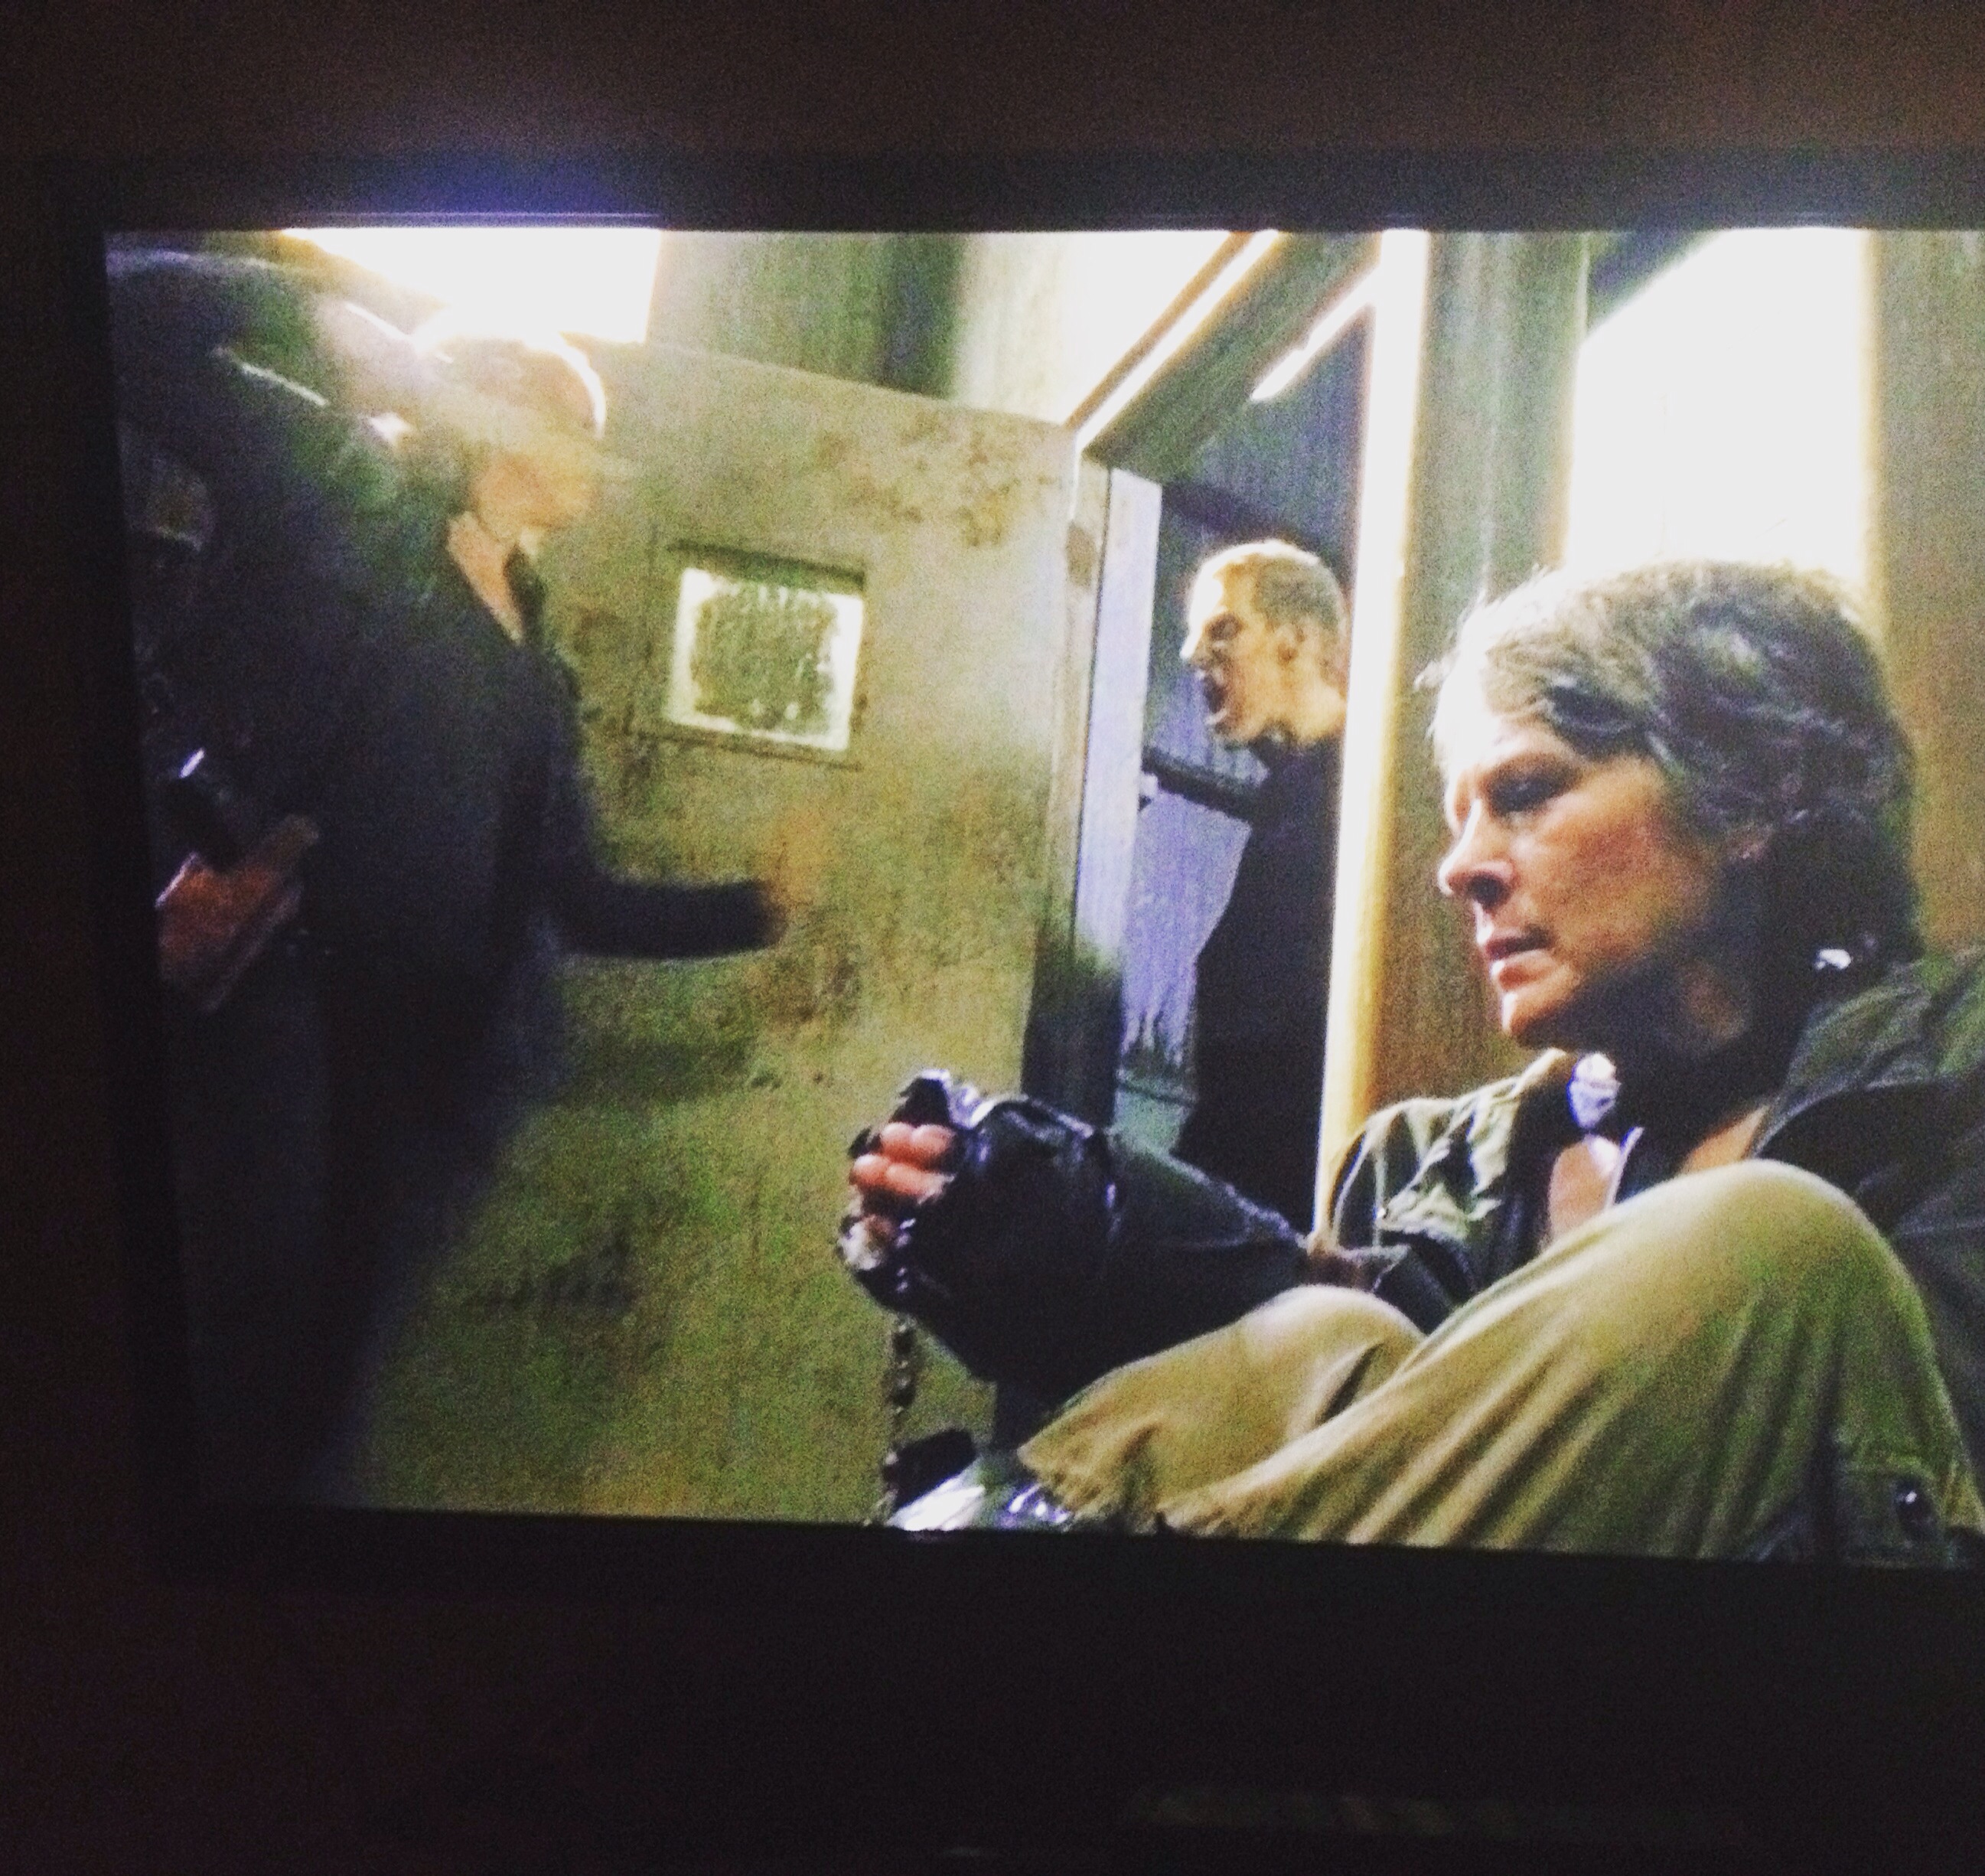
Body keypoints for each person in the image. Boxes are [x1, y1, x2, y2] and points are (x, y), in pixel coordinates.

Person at [846, 561, 1985, 1561]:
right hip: (1445, 1710)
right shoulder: (1434, 1164)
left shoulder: (1958, 1075)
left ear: (1753, 795)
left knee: (1768, 1238)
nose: (1459, 868)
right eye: (1458, 816)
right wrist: (1100, 1249)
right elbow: (1414, 1458)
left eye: (1525, 794)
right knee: (1325, 1337)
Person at [112, 246, 786, 1498]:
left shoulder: (536, 657)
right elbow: (121, 317)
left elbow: (572, 893)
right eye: (574, 421)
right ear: (494, 415)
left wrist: (756, 909)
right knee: (231, 1328)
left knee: (318, 1380)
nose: (594, 454)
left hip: (420, 1059)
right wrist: (326, 323)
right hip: (266, 986)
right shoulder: (333, 482)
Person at [1168, 541, 1347, 1228]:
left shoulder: (1363, 806)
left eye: (1222, 629)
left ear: (1295, 639)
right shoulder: (1290, 799)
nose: (1193, 655)